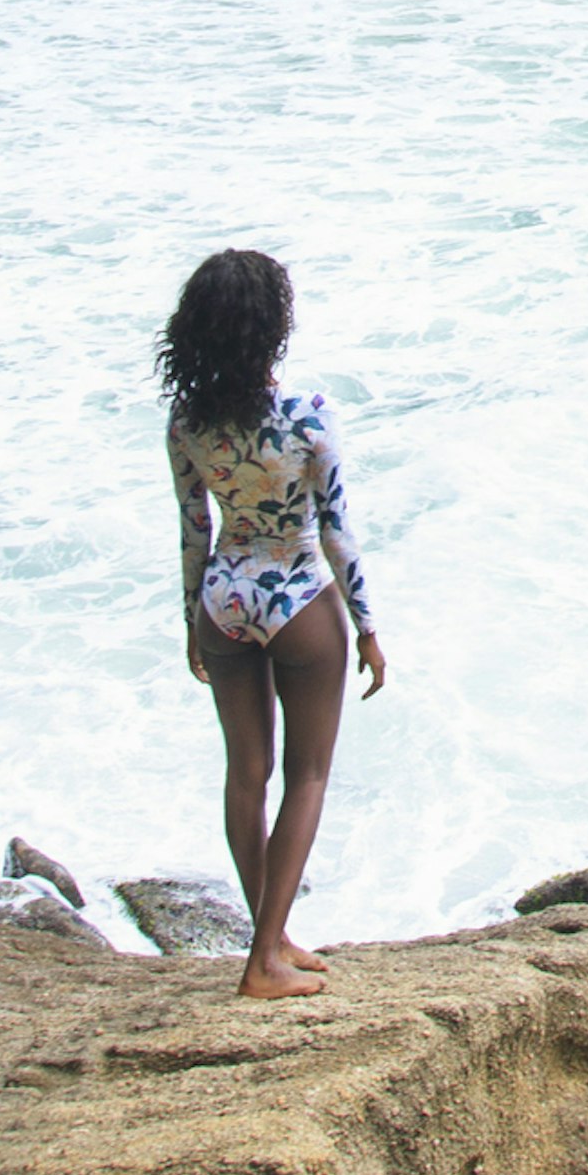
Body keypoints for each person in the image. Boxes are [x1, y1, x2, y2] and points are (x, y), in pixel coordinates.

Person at [159, 248, 387, 997]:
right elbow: (336, 533)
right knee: (309, 774)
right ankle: (263, 960)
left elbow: (194, 527)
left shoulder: (187, 421)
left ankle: (274, 935)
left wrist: (192, 617)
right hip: (295, 599)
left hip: (224, 597)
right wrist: (370, 627)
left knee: (245, 775)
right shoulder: (306, 415)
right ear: (271, 329)